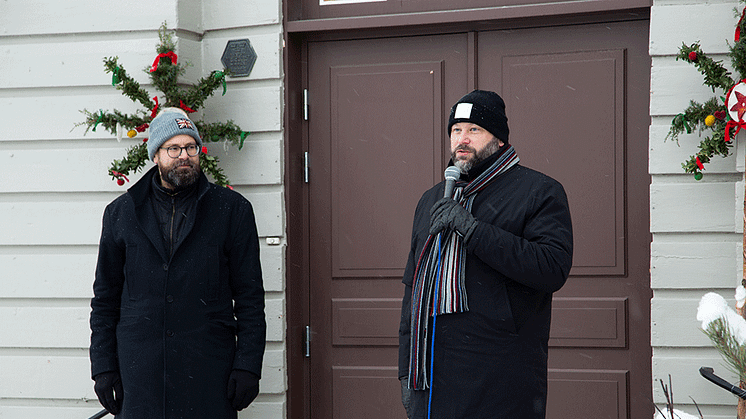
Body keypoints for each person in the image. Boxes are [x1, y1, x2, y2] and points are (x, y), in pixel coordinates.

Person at [398, 90, 573, 418]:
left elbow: (552, 267)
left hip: (500, 380)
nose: (462, 139)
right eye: (456, 130)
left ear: (500, 140)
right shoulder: (432, 199)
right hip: (432, 379)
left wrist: (474, 231)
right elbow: (413, 289)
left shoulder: (538, 192)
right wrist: (407, 369)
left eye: (474, 129)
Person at [89, 108, 266, 418]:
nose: (184, 155)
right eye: (173, 148)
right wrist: (103, 368)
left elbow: (250, 297)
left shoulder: (231, 211)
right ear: (156, 155)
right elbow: (105, 299)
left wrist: (248, 365)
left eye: (191, 147)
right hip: (141, 373)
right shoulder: (121, 213)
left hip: (207, 371)